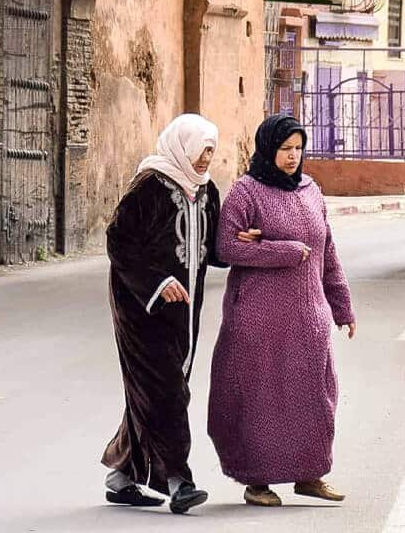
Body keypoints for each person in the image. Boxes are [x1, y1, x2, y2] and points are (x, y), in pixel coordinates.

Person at [207, 114, 357, 507]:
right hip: (258, 318)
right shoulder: (245, 193)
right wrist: (283, 250)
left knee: (314, 395)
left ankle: (310, 474)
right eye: (284, 149)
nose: (292, 157)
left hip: (308, 317)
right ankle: (257, 482)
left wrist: (342, 307)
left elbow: (328, 253)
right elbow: (226, 248)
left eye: (297, 148)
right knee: (261, 399)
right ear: (267, 149)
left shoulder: (310, 189)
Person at [101, 113, 225, 514]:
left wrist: (245, 242)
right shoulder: (150, 185)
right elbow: (118, 241)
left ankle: (121, 476)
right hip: (140, 307)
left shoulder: (207, 192)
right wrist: (154, 283)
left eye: (211, 150)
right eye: (201, 148)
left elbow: (212, 250)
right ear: (182, 145)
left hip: (185, 312)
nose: (206, 157)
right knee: (168, 390)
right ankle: (178, 480)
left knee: (153, 391)